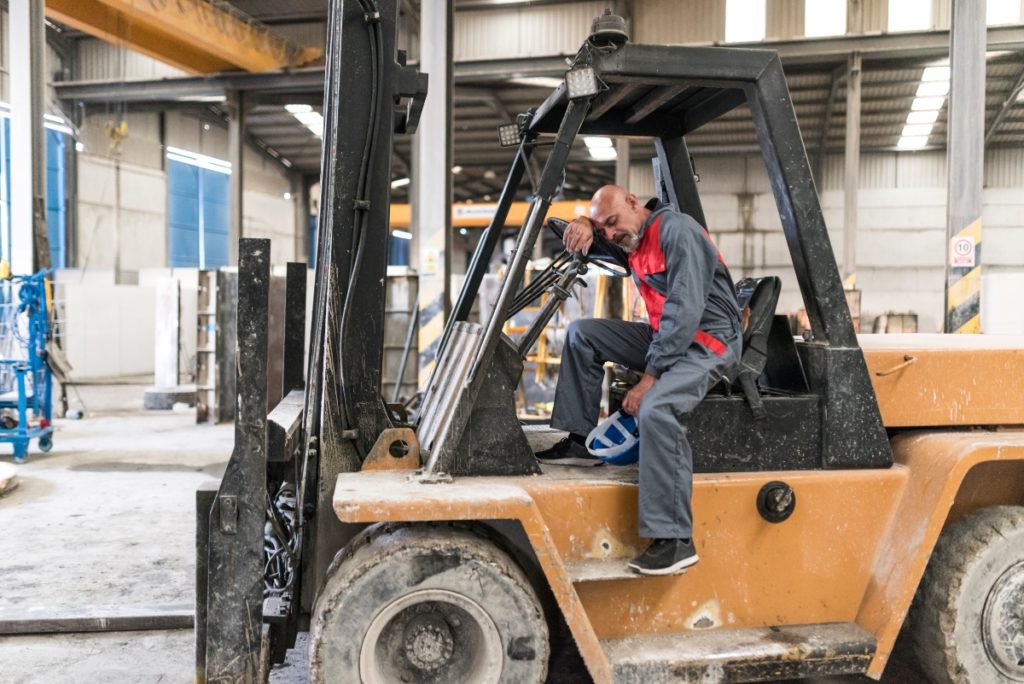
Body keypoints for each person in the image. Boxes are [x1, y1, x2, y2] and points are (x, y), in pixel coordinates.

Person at [535, 184, 742, 576]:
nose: (611, 234)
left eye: (612, 223)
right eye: (604, 228)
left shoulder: (677, 232)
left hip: (707, 341)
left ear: (634, 202)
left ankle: (675, 541)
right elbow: (592, 240)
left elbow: (683, 313)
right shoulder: (631, 241)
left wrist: (649, 380)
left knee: (658, 409)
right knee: (583, 333)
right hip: (668, 335)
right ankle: (579, 441)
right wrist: (584, 223)